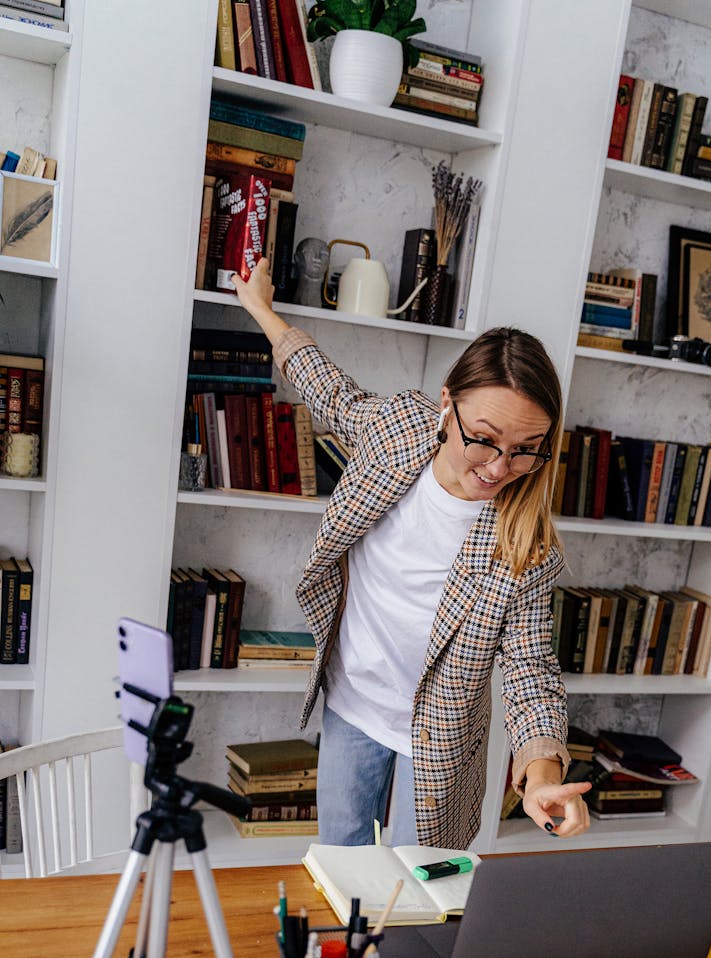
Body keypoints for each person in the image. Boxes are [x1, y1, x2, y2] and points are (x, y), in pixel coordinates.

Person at [232, 257, 592, 851]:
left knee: (420, 884)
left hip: (441, 739)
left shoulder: (527, 543)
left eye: (526, 449)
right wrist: (261, 310)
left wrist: (542, 772)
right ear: (446, 404)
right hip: (353, 701)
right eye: (484, 439)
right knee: (342, 870)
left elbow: (530, 669)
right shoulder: (397, 430)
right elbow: (329, 389)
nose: (499, 468)